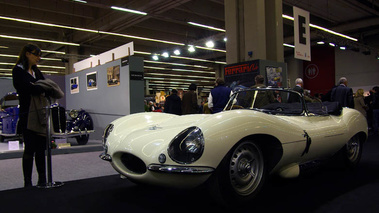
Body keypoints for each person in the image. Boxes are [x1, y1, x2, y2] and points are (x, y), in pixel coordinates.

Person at [12, 44, 47, 187]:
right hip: (28, 114)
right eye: (36, 54)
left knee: (41, 149)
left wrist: (37, 87)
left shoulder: (36, 71)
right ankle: (27, 182)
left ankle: (42, 180)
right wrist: (38, 87)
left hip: (40, 114)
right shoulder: (17, 71)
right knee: (29, 149)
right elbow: (26, 88)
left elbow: (44, 85)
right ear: (27, 54)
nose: (38, 58)